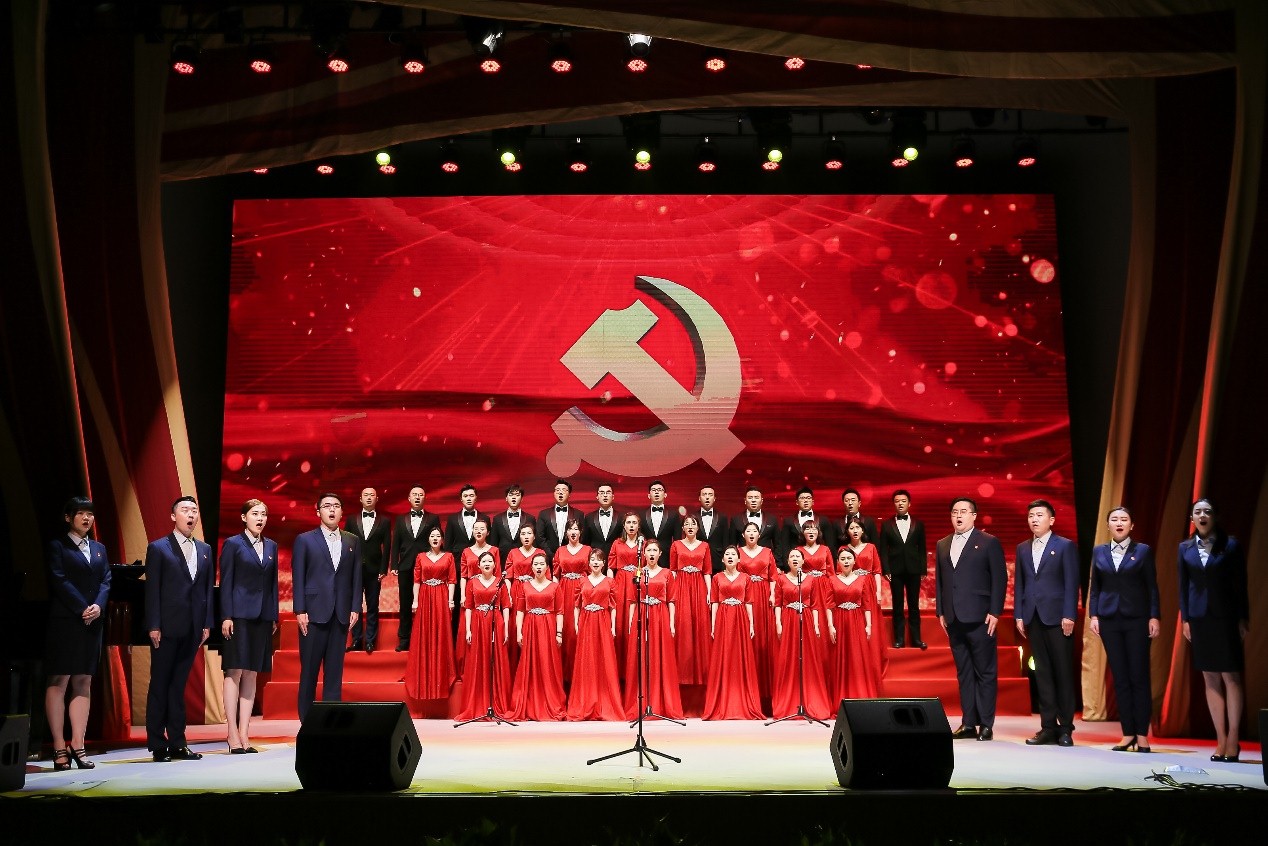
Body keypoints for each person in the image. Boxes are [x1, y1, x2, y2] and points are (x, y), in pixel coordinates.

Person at [1178, 498, 1249, 763]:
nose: (1202, 515)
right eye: (1197, 512)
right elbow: (1183, 586)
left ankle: (1233, 738)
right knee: (1209, 677)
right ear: (1192, 519)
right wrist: (1185, 619)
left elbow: (1241, 584)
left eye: (1207, 511)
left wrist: (1243, 618)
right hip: (1199, 618)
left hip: (1226, 617)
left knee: (1231, 676)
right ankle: (1220, 739)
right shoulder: (1184, 547)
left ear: (1215, 516)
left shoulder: (1230, 545)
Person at [144, 495, 214, 761]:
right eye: (185, 510)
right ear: (174, 516)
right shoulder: (159, 548)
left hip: (193, 627)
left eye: (194, 510)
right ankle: (157, 743)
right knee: (160, 684)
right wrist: (154, 624)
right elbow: (152, 590)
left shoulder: (204, 549)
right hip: (166, 627)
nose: (191, 515)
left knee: (178, 686)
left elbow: (206, 589)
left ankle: (178, 742)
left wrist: (207, 622)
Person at [44, 496, 111, 770]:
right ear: (68, 517)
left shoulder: (99, 549)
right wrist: (82, 607)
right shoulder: (57, 546)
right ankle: (59, 746)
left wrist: (98, 606)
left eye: (90, 514)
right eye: (81, 513)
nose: (87, 518)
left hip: (92, 621)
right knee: (59, 679)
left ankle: (78, 744)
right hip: (66, 620)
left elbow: (106, 579)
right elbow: (58, 579)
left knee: (84, 679)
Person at [1088, 506, 1159, 753]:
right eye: (1114, 519)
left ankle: (1142, 735)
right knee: (1120, 677)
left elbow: (1152, 587)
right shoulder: (1099, 551)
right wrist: (1093, 615)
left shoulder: (1142, 551)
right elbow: (1095, 587)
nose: (1119, 523)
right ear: (1108, 525)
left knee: (1139, 676)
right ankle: (1127, 733)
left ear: (1132, 525)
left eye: (1124, 519)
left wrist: (1154, 616)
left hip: (1137, 619)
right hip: (1109, 620)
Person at [935, 497, 1006, 741]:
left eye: (963, 511)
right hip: (953, 618)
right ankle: (968, 723)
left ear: (974, 515)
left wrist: (995, 612)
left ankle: (986, 724)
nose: (958, 516)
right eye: (954, 512)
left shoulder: (988, 542)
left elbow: (999, 578)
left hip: (981, 617)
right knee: (964, 672)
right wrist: (941, 611)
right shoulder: (943, 544)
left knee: (985, 672)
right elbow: (941, 581)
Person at [1014, 499, 1080, 747]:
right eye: (1031, 515)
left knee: (1062, 673)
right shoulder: (1022, 548)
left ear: (1051, 520)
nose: (1034, 519)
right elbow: (1020, 583)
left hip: (1058, 618)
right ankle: (1047, 727)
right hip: (1033, 616)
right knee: (1042, 674)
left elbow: (1071, 582)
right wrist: (1019, 614)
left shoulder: (1064, 546)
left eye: (1039, 515)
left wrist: (1069, 615)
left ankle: (1066, 728)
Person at [292, 492, 361, 722]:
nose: (332, 510)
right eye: (327, 506)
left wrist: (355, 607)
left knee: (334, 674)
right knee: (309, 672)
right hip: (313, 614)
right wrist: (300, 610)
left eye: (336, 506)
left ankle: (331, 723)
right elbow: (298, 576)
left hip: (340, 614)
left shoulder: (352, 541)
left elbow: (356, 577)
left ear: (342, 512)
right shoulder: (305, 540)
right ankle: (307, 723)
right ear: (318, 511)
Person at [218, 498, 278, 754]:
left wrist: (273, 616)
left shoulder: (272, 545)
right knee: (234, 671)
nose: (260, 518)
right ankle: (231, 733)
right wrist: (226, 615)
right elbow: (226, 581)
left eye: (263, 514)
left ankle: (245, 733)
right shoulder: (233, 544)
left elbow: (272, 584)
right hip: (238, 615)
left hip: (262, 617)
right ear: (244, 517)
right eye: (255, 514)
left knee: (252, 672)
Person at [770, 549, 833, 720]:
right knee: (788, 659)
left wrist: (816, 625)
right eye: (791, 556)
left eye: (798, 556)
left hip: (806, 619)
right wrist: (778, 623)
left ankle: (810, 701)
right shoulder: (781, 579)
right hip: (788, 619)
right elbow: (777, 603)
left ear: (803, 561)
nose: (795, 559)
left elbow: (815, 605)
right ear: (788, 562)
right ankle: (788, 703)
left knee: (807, 659)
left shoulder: (811, 579)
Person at [702, 547, 764, 720]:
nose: (730, 557)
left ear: (739, 560)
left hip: (740, 618)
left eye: (733, 555)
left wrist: (751, 624)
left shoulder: (746, 578)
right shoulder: (717, 578)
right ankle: (721, 703)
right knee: (723, 656)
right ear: (722, 560)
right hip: (723, 618)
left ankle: (742, 703)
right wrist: (713, 625)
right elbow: (714, 602)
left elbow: (749, 602)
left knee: (740, 656)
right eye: (727, 555)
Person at [623, 539, 683, 720]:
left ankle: (660, 703)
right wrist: (631, 623)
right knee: (642, 657)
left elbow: (671, 600)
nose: (651, 553)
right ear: (644, 553)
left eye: (654, 550)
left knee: (660, 656)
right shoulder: (638, 572)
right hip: (642, 614)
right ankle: (640, 704)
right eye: (648, 550)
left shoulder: (667, 574)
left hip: (660, 615)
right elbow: (632, 601)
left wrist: (671, 623)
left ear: (660, 554)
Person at [454, 551, 512, 721]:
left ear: (495, 565)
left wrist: (506, 628)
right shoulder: (472, 582)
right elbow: (469, 607)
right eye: (484, 561)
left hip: (496, 622)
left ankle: (496, 704)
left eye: (490, 561)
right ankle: (477, 704)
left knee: (495, 660)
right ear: (478, 565)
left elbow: (505, 606)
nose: (487, 563)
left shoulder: (500, 583)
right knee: (478, 661)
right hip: (478, 622)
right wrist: (468, 629)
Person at [567, 549, 623, 721]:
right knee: (587, 660)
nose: (596, 562)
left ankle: (604, 703)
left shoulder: (610, 581)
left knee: (604, 659)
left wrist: (613, 627)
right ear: (589, 563)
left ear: (604, 563)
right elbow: (576, 605)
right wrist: (576, 624)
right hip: (586, 622)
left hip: (603, 621)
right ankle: (585, 702)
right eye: (593, 559)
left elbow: (613, 607)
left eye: (599, 560)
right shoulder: (581, 581)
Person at [509, 554, 567, 721]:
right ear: (532, 567)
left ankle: (551, 702)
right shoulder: (525, 586)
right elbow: (520, 611)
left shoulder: (555, 586)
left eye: (542, 564)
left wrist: (559, 633)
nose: (539, 567)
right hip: (530, 627)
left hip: (548, 627)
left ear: (547, 567)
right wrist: (519, 632)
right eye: (536, 564)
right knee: (530, 663)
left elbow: (560, 612)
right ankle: (530, 704)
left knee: (548, 663)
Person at [404, 527, 455, 700]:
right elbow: (416, 580)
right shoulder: (420, 557)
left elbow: (452, 580)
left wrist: (450, 600)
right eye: (432, 536)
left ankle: (441, 674)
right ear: (428, 539)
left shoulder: (449, 557)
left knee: (441, 631)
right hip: (425, 596)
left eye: (438, 536)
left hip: (441, 595)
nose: (435, 538)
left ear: (442, 539)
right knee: (424, 632)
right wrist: (415, 600)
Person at [824, 546, 880, 700]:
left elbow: (866, 604)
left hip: (857, 621)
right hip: (839, 621)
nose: (846, 561)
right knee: (840, 659)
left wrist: (868, 625)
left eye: (849, 558)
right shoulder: (832, 579)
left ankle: (859, 695)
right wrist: (830, 625)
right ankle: (841, 696)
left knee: (857, 657)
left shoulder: (862, 579)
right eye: (842, 559)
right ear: (838, 562)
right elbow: (829, 605)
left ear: (854, 561)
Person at [391, 485, 440, 652]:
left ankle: (425, 638)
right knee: (405, 603)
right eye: (414, 495)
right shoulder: (400, 519)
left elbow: (437, 541)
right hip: (405, 566)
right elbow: (396, 542)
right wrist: (394, 564)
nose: (417, 497)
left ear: (424, 498)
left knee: (426, 603)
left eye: (420, 495)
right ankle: (404, 638)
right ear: (409, 498)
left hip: (427, 566)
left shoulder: (433, 518)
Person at [878, 489, 929, 649]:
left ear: (909, 503)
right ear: (894, 504)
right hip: (895, 571)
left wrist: (923, 569)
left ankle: (916, 639)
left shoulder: (918, 524)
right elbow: (883, 550)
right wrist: (886, 570)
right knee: (897, 605)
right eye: (897, 501)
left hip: (914, 570)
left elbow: (922, 549)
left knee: (914, 605)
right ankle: (899, 639)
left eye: (903, 501)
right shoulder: (886, 525)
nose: (900, 503)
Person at [736, 521, 777, 703]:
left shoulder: (767, 552)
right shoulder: (738, 552)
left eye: (754, 531)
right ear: (743, 535)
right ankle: (747, 691)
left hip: (763, 596)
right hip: (745, 597)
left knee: (764, 639)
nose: (751, 534)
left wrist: (773, 594)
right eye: (748, 531)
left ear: (759, 535)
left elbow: (773, 577)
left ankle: (766, 694)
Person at [347, 486, 391, 654]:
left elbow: (387, 546)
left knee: (373, 606)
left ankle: (370, 641)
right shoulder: (351, 520)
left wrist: (383, 569)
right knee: (355, 605)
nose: (369, 497)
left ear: (377, 499)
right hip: (354, 570)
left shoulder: (384, 521)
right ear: (360, 499)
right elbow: (345, 544)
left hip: (375, 570)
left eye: (372, 495)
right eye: (366, 495)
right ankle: (357, 640)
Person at [669, 515, 711, 686]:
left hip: (699, 586)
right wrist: (672, 591)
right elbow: (673, 570)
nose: (690, 526)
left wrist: (709, 592)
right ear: (683, 528)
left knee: (699, 624)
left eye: (693, 524)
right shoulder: (676, 545)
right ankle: (682, 674)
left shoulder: (705, 546)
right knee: (683, 624)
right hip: (681, 586)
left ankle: (701, 674)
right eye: (687, 524)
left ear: (698, 528)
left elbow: (707, 571)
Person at [551, 519, 590, 683]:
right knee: (565, 629)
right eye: (570, 529)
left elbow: (592, 574)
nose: (573, 532)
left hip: (582, 590)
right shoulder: (560, 550)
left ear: (580, 532)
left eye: (576, 529)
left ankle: (580, 673)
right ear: (566, 533)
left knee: (578, 629)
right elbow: (555, 575)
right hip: (564, 590)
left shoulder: (588, 550)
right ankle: (563, 675)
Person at [606, 513, 645, 671]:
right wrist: (610, 586)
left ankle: (633, 666)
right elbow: (610, 567)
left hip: (637, 582)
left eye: (634, 522)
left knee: (634, 620)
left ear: (638, 526)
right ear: (624, 525)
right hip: (620, 583)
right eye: (628, 522)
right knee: (620, 620)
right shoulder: (617, 543)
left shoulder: (643, 543)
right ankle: (619, 667)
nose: (631, 525)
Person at [731, 486, 783, 567]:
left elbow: (778, 544)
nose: (753, 500)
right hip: (743, 563)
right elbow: (732, 545)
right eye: (750, 497)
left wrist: (777, 565)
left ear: (761, 501)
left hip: (766, 563)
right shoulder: (736, 519)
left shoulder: (772, 519)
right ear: (745, 500)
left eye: (756, 497)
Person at [537, 478, 583, 561]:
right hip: (549, 559)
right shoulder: (544, 514)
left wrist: (573, 554)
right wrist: (551, 556)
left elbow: (582, 537)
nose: (560, 492)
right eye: (557, 490)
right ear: (554, 493)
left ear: (569, 494)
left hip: (572, 559)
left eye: (564, 490)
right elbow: (540, 538)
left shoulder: (578, 514)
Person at [785, 486, 836, 557]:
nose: (805, 501)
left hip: (818, 559)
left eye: (808, 498)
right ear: (797, 502)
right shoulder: (789, 521)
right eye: (802, 498)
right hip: (796, 559)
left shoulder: (823, 520)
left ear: (813, 502)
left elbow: (830, 543)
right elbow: (785, 544)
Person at [694, 485, 730, 573]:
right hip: (698, 561)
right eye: (704, 494)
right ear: (699, 498)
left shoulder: (722, 517)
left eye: (710, 495)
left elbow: (725, 541)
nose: (707, 497)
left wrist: (725, 564)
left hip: (717, 561)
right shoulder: (693, 517)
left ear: (714, 498)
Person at [489, 482, 529, 560]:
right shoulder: (497, 519)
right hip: (502, 559)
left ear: (522, 499)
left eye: (517, 495)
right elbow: (493, 544)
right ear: (506, 498)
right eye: (511, 495)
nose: (514, 497)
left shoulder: (529, 518)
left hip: (523, 559)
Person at [583, 482, 622, 558]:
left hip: (615, 558)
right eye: (602, 493)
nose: (605, 495)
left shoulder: (621, 517)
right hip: (595, 559)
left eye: (608, 492)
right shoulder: (589, 517)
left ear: (613, 496)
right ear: (597, 497)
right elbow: (586, 542)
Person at [640, 479, 681, 551]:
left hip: (667, 555)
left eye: (659, 490)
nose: (656, 492)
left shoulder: (673, 514)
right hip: (647, 554)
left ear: (665, 495)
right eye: (653, 490)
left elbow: (677, 539)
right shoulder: (641, 514)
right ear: (649, 495)